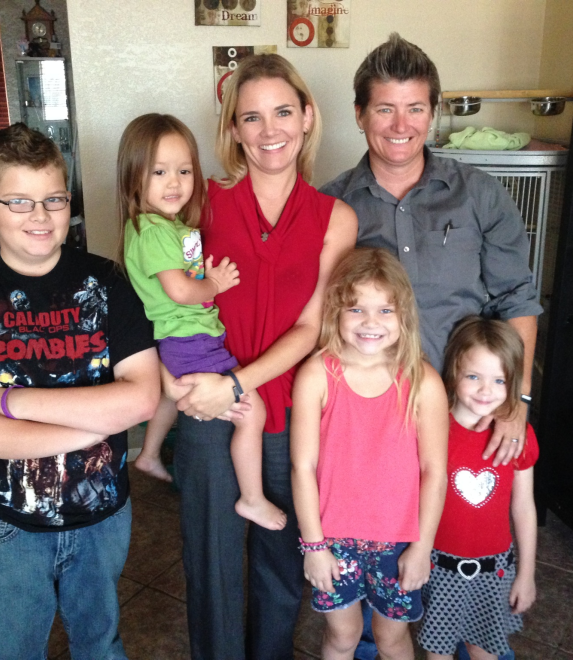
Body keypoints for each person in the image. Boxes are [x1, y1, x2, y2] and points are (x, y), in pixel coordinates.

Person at [320, 38, 542, 657]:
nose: (400, 125)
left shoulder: (481, 194)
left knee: (464, 541)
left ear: (435, 112)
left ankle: (473, 637)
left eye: (415, 108)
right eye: (385, 108)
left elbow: (518, 301)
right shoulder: (332, 205)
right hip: (374, 415)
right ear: (360, 113)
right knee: (375, 548)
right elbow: (321, 315)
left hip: (470, 408)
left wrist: (516, 400)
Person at [0, 123, 160, 660]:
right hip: (3, 523)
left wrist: (7, 403)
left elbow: (143, 398)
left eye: (53, 199)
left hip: (101, 515)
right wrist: (102, 418)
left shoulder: (108, 281)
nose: (40, 217)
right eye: (19, 202)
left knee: (100, 646)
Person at [170, 54, 357, 659]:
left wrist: (236, 385)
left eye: (283, 112)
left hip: (289, 414)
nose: (269, 130)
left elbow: (312, 327)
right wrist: (193, 382)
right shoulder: (199, 204)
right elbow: (173, 300)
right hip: (204, 408)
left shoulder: (337, 218)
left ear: (307, 118)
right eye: (252, 117)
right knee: (213, 563)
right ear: (232, 130)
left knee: (282, 564)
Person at [119, 112, 286, 531]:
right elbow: (181, 290)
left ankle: (150, 453)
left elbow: (184, 272)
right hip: (190, 339)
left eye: (183, 170)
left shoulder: (171, 228)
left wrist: (199, 269)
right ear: (133, 177)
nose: (174, 182)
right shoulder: (155, 230)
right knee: (253, 412)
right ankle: (252, 499)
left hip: (178, 339)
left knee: (169, 397)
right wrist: (214, 284)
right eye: (158, 172)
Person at [291, 248, 449, 660]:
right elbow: (303, 467)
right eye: (356, 308)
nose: (370, 322)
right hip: (333, 540)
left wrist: (423, 547)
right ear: (336, 312)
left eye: (385, 310)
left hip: (399, 542)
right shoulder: (316, 374)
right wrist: (314, 545)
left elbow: (435, 471)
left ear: (404, 316)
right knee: (343, 637)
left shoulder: (423, 381)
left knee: (392, 640)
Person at [419, 316, 538, 660]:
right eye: (474, 377)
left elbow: (524, 507)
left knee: (484, 652)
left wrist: (527, 575)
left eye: (500, 380)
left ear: (513, 382)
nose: (486, 391)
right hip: (437, 568)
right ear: (454, 371)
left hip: (494, 571)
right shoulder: (431, 428)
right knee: (436, 652)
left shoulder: (519, 438)